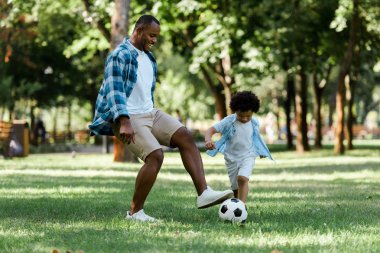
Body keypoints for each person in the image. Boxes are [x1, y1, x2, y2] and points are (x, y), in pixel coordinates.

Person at [89, 15, 233, 222]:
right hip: (129, 116)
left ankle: (203, 193)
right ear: (138, 30)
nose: (154, 40)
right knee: (155, 156)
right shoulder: (119, 55)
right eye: (151, 35)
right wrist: (124, 121)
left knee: (185, 136)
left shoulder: (148, 57)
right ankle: (135, 213)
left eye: (156, 36)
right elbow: (115, 91)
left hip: (150, 112)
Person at [204, 91, 274, 203]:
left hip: (248, 156)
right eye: (241, 115)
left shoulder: (254, 122)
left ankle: (242, 206)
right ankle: (236, 204)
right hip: (231, 158)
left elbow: (256, 137)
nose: (245, 119)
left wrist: (260, 150)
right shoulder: (229, 121)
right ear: (235, 110)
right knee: (235, 187)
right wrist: (208, 140)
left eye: (248, 116)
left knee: (243, 178)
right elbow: (210, 130)